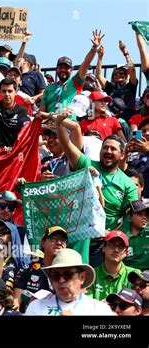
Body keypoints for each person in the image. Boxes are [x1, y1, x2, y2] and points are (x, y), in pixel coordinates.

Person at [56, 109, 138, 264]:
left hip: (104, 245)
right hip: (77, 237)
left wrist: (112, 234)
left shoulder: (128, 184)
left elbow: (131, 219)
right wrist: (59, 124)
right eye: (105, 148)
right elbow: (66, 145)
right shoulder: (86, 164)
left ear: (121, 155)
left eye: (113, 149)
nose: (108, 151)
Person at [25, 249, 114, 315]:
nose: (61, 280)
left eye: (67, 274)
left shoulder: (99, 310)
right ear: (51, 280)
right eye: (56, 275)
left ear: (82, 277)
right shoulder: (36, 307)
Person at [40, 30, 105, 113]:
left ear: (71, 70)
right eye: (60, 67)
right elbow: (42, 109)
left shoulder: (75, 82)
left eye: (66, 68)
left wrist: (94, 48)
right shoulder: (49, 88)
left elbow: (85, 64)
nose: (63, 70)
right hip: (49, 123)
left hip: (68, 122)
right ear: (56, 69)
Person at [13, 226, 68, 311]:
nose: (59, 242)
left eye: (63, 240)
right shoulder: (27, 269)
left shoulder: (70, 273)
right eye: (53, 239)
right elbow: (15, 304)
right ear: (43, 243)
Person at [88, 231, 140, 300]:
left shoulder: (135, 274)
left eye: (121, 246)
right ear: (103, 247)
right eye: (112, 245)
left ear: (126, 252)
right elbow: (87, 306)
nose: (116, 250)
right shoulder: (91, 275)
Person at [96, 43, 138, 121]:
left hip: (129, 120)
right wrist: (100, 57)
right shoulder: (110, 88)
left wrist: (125, 52)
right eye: (115, 73)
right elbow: (98, 75)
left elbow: (132, 69)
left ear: (126, 75)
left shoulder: (131, 86)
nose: (118, 75)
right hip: (113, 120)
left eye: (121, 73)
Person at [120, 200, 149, 271]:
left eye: (146, 214)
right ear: (129, 217)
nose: (144, 217)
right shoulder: (120, 238)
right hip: (128, 277)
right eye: (140, 214)